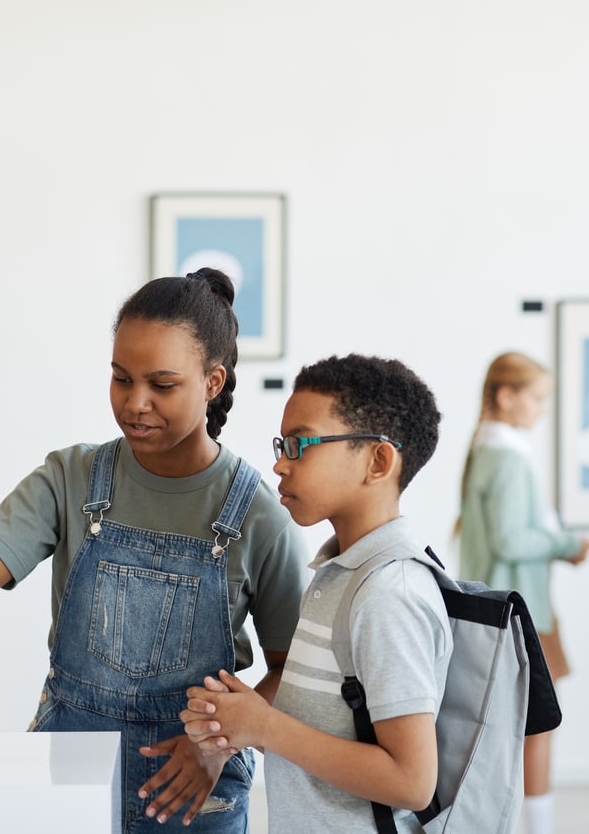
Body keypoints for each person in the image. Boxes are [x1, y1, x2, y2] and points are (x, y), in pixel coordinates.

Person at [0, 269, 307, 832]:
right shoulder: (70, 478)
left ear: (212, 382)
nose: (135, 403)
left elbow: (292, 673)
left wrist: (218, 743)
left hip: (191, 794)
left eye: (162, 385)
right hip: (65, 780)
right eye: (120, 378)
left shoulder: (260, 515)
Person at [177, 354, 452, 833]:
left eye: (300, 444)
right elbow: (320, 728)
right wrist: (241, 717)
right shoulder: (337, 575)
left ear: (378, 461)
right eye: (282, 444)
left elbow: (412, 781)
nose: (280, 464)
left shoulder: (390, 593)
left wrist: (264, 726)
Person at [455, 351, 589, 834]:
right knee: (539, 724)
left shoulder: (486, 451)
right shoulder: (508, 457)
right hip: (520, 612)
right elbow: (513, 540)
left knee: (504, 726)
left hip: (494, 610)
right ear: (506, 396)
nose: (541, 409)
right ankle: (539, 826)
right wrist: (568, 543)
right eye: (536, 398)